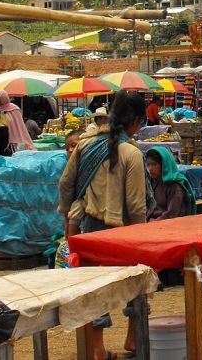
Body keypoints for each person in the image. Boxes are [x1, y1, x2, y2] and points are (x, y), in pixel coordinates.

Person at [58, 91, 149, 360]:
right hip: (124, 232)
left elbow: (66, 184)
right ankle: (133, 339)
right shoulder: (131, 153)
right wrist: (142, 236)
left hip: (89, 229)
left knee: (94, 287)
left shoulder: (85, 146)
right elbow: (136, 205)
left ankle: (96, 347)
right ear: (135, 121)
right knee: (137, 284)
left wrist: (67, 218)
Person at [146, 146, 196, 220]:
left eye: (154, 164)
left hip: (166, 225)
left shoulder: (174, 185)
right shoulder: (153, 181)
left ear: (164, 165)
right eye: (148, 165)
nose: (150, 168)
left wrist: (152, 224)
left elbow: (172, 213)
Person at [0, 90, 35, 157]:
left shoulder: (14, 109)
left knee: (8, 158)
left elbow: (19, 126)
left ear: (3, 98)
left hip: (9, 140)